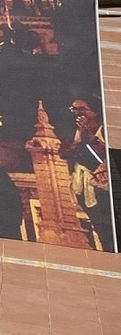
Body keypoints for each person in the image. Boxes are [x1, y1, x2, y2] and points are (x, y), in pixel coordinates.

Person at [65, 95, 112, 252]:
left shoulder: (105, 129)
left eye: (82, 109)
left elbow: (100, 155)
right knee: (98, 224)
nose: (77, 113)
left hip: (104, 186)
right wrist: (78, 138)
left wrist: (87, 133)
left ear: (95, 112)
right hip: (84, 184)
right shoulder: (75, 130)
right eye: (74, 109)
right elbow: (66, 153)